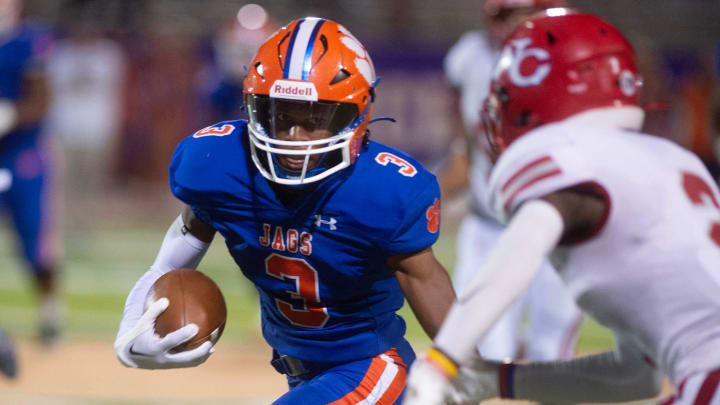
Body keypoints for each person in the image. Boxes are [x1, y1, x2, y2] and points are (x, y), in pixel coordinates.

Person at [114, 17, 456, 404]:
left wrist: (467, 374)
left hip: (369, 368)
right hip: (300, 374)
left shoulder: (383, 189)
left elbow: (427, 282)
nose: (295, 138)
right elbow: (185, 239)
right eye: (281, 116)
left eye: (315, 120)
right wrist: (135, 314)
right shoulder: (219, 164)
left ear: (355, 114)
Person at [404, 9, 720, 405]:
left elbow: (525, 242)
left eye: (507, 97)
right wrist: (495, 381)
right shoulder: (670, 163)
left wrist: (440, 363)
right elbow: (634, 377)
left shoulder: (568, 154)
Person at [440, 0, 580, 362]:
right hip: (491, 227)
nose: (506, 24)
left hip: (559, 231)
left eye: (516, 13)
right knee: (483, 352)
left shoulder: (573, 56)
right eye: (499, 14)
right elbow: (463, 157)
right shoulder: (471, 57)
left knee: (552, 356)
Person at [0, 0, 62, 346]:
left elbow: (42, 99)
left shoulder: (29, 41)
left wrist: (11, 114)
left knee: (34, 238)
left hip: (23, 154)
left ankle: (50, 311)